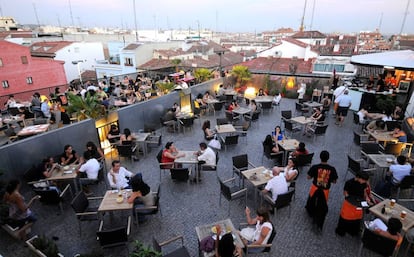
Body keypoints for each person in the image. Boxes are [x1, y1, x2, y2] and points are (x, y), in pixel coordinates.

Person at [305, 150, 338, 231]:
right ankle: (319, 219)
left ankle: (311, 211)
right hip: (325, 190)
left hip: (315, 188)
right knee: (322, 204)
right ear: (328, 158)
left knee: (311, 200)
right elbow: (334, 181)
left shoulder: (315, 167)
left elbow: (308, 177)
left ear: (320, 157)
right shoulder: (332, 169)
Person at [335, 172, 369, 236]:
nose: (364, 182)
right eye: (363, 180)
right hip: (349, 202)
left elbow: (364, 191)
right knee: (345, 217)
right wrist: (350, 200)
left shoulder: (364, 183)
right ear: (359, 178)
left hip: (359, 202)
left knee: (357, 217)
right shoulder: (349, 183)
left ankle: (353, 231)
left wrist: (366, 198)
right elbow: (345, 193)